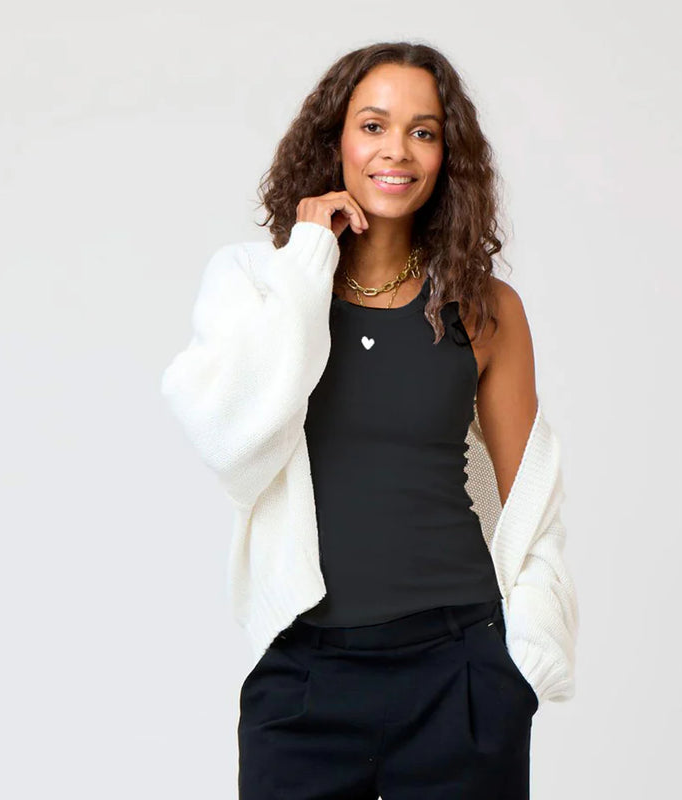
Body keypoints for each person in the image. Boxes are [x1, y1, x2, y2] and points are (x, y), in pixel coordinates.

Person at [161, 41, 579, 800]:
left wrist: (521, 663)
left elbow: (533, 507)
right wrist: (309, 257)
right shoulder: (258, 285)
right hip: (306, 676)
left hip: (459, 668)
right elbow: (233, 443)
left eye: (423, 132)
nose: (397, 151)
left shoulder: (484, 308)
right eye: (374, 126)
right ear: (336, 141)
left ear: (448, 156)